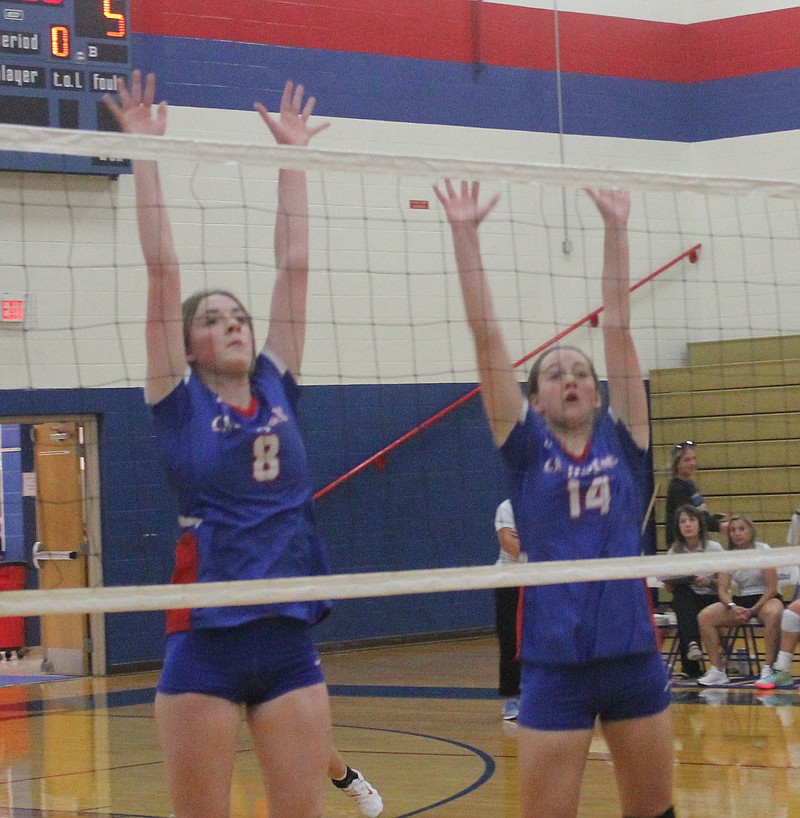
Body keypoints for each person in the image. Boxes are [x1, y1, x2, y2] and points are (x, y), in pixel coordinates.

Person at [104, 71, 382, 818]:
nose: (231, 324)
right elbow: (164, 273)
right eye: (212, 319)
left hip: (288, 636)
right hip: (205, 640)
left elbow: (294, 268)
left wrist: (294, 158)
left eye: (238, 316)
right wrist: (144, 155)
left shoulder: (279, 384)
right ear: (188, 346)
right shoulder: (176, 402)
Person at [434, 180, 674, 818]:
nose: (569, 377)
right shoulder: (523, 448)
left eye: (579, 372)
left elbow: (618, 325)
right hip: (554, 663)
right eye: (552, 373)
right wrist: (465, 236)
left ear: (596, 395)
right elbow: (488, 343)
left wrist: (617, 229)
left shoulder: (626, 442)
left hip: (632, 656)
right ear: (535, 400)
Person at [697, 515, 784, 688]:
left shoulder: (763, 549)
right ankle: (718, 670)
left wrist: (753, 610)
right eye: (733, 530)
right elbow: (722, 590)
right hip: (741, 599)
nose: (737, 533)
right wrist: (732, 606)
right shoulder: (728, 556)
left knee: (775, 612)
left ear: (751, 531)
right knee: (705, 616)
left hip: (766, 598)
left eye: (741, 529)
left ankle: (769, 668)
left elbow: (772, 588)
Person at [661, 504, 724, 678]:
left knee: (685, 610)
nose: (687, 524)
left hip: (713, 599)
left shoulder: (714, 548)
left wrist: (709, 582)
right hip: (688, 600)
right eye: (683, 521)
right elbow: (666, 584)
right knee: (682, 593)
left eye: (691, 520)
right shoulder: (675, 551)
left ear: (699, 524)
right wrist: (680, 579)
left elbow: (725, 584)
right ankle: (693, 646)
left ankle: (691, 661)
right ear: (678, 527)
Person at [664, 441, 727, 547]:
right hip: (683, 544)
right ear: (677, 463)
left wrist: (713, 518)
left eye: (694, 458)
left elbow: (699, 511)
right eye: (687, 460)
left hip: (694, 540)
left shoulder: (689, 484)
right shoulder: (677, 487)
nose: (692, 463)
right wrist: (717, 525)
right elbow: (690, 515)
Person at [494, 499, 523, 720]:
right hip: (509, 582)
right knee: (511, 640)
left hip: (543, 579)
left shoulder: (549, 503)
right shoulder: (507, 508)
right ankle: (512, 698)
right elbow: (510, 546)